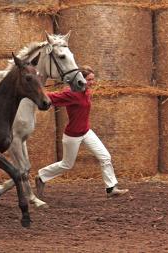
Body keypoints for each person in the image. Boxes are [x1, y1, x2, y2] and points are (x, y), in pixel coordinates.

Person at [35, 66, 129, 198]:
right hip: (72, 135)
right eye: (89, 80)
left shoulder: (86, 91)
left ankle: (111, 188)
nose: (92, 82)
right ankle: (41, 176)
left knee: (105, 157)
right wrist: (35, 91)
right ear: (81, 79)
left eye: (93, 79)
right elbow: (51, 97)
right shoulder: (71, 94)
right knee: (67, 165)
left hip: (86, 132)